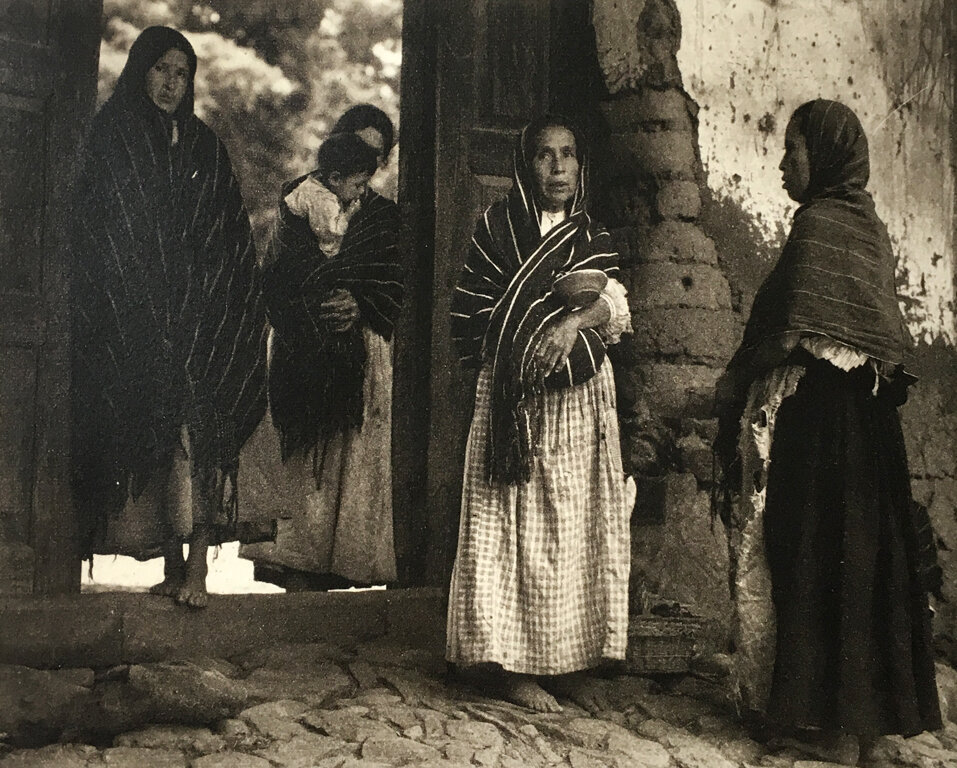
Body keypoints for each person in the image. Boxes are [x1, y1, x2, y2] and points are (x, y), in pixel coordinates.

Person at [713, 99, 941, 764]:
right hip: (870, 429)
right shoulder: (866, 227)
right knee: (865, 561)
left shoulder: (817, 225)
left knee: (815, 555)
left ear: (827, 155)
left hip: (820, 422)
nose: (784, 163)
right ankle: (864, 729)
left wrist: (734, 383)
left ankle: (833, 729)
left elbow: (786, 333)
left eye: (795, 150)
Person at [70, 26, 268, 608]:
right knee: (157, 441)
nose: (170, 84)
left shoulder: (204, 145)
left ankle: (199, 569)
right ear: (140, 70)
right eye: (161, 69)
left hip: (203, 318)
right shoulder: (114, 136)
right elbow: (101, 229)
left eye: (182, 73)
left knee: (203, 437)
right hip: (138, 317)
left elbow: (228, 230)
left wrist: (213, 296)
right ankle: (172, 561)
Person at [446, 116, 632, 713]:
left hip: (580, 401)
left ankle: (568, 660)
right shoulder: (496, 229)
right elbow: (472, 313)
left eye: (569, 154)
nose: (558, 167)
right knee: (513, 527)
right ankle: (508, 667)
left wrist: (574, 320)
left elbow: (616, 307)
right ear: (527, 166)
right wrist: (529, 338)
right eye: (546, 156)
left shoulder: (592, 234)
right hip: (514, 401)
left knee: (572, 527)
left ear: (581, 164)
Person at [240, 105, 404, 590]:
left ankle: (337, 573)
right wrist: (311, 308)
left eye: (378, 155)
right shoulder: (298, 200)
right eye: (360, 147)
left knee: (345, 467)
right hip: (300, 349)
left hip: (362, 355)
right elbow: (274, 274)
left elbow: (393, 283)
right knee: (302, 461)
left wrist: (360, 304)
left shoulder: (382, 217)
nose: (368, 161)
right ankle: (293, 576)